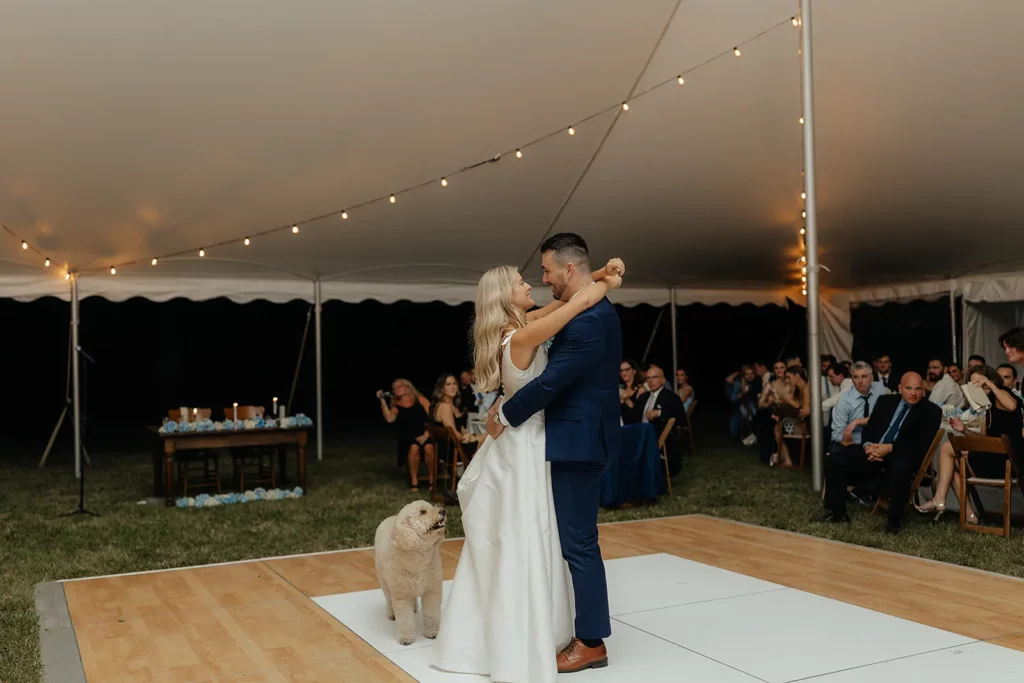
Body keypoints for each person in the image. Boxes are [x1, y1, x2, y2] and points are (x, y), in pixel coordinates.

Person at [434, 239, 624, 681]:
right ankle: (555, 628)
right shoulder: (538, 325)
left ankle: (591, 642)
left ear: (568, 270)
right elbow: (568, 320)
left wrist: (503, 411)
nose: (538, 280)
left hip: (571, 442)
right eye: (525, 279)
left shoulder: (580, 320)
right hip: (547, 442)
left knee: (575, 542)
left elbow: (552, 380)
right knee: (547, 537)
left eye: (543, 272)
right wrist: (604, 280)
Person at [823, 372, 941, 534]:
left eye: (917, 389)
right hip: (875, 450)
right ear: (900, 388)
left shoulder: (931, 411)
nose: (913, 393)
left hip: (903, 454)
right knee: (835, 459)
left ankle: (894, 522)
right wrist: (868, 446)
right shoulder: (886, 402)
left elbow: (920, 444)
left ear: (923, 390)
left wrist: (890, 448)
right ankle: (837, 514)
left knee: (902, 466)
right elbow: (870, 429)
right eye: (908, 388)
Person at [915, 365, 1023, 523]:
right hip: (996, 457)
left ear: (990, 379)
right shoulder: (988, 407)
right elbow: (985, 439)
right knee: (951, 466)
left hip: (1010, 462)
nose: (977, 386)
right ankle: (968, 515)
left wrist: (989, 384)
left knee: (947, 449)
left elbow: (1012, 406)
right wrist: (964, 429)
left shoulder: (1003, 393)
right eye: (973, 383)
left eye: (979, 381)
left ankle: (940, 499)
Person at [378, 379, 436, 492]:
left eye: (400, 386)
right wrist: (382, 401)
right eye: (394, 388)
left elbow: (433, 416)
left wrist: (426, 434)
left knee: (429, 448)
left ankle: (432, 480)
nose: (396, 389)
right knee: (414, 448)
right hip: (408, 437)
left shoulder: (420, 400)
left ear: (408, 388)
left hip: (426, 433)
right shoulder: (396, 406)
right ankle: (414, 481)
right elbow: (390, 419)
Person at [642, 363, 685, 475]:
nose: (651, 381)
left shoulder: (671, 397)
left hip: (655, 439)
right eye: (648, 378)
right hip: (638, 434)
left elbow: (681, 416)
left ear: (663, 380)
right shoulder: (643, 397)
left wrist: (660, 413)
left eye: (655, 377)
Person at [829, 362, 884, 450]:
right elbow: (837, 434)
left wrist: (857, 421)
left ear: (871, 378)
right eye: (855, 377)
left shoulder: (880, 389)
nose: (860, 381)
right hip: (854, 442)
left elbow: (884, 417)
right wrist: (854, 446)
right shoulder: (844, 400)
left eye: (864, 376)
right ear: (852, 379)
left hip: (877, 440)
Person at [771, 366, 810, 467]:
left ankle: (787, 459)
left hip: (806, 423)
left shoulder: (806, 388)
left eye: (789, 377)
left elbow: (804, 410)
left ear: (797, 375)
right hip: (795, 420)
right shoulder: (796, 389)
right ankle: (787, 459)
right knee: (776, 426)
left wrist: (789, 401)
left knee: (776, 425)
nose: (787, 380)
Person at [619, 359, 646, 424]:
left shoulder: (641, 390)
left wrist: (627, 400)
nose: (624, 373)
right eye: (621, 371)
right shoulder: (621, 389)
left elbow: (639, 414)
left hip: (634, 427)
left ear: (634, 371)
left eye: (627, 370)